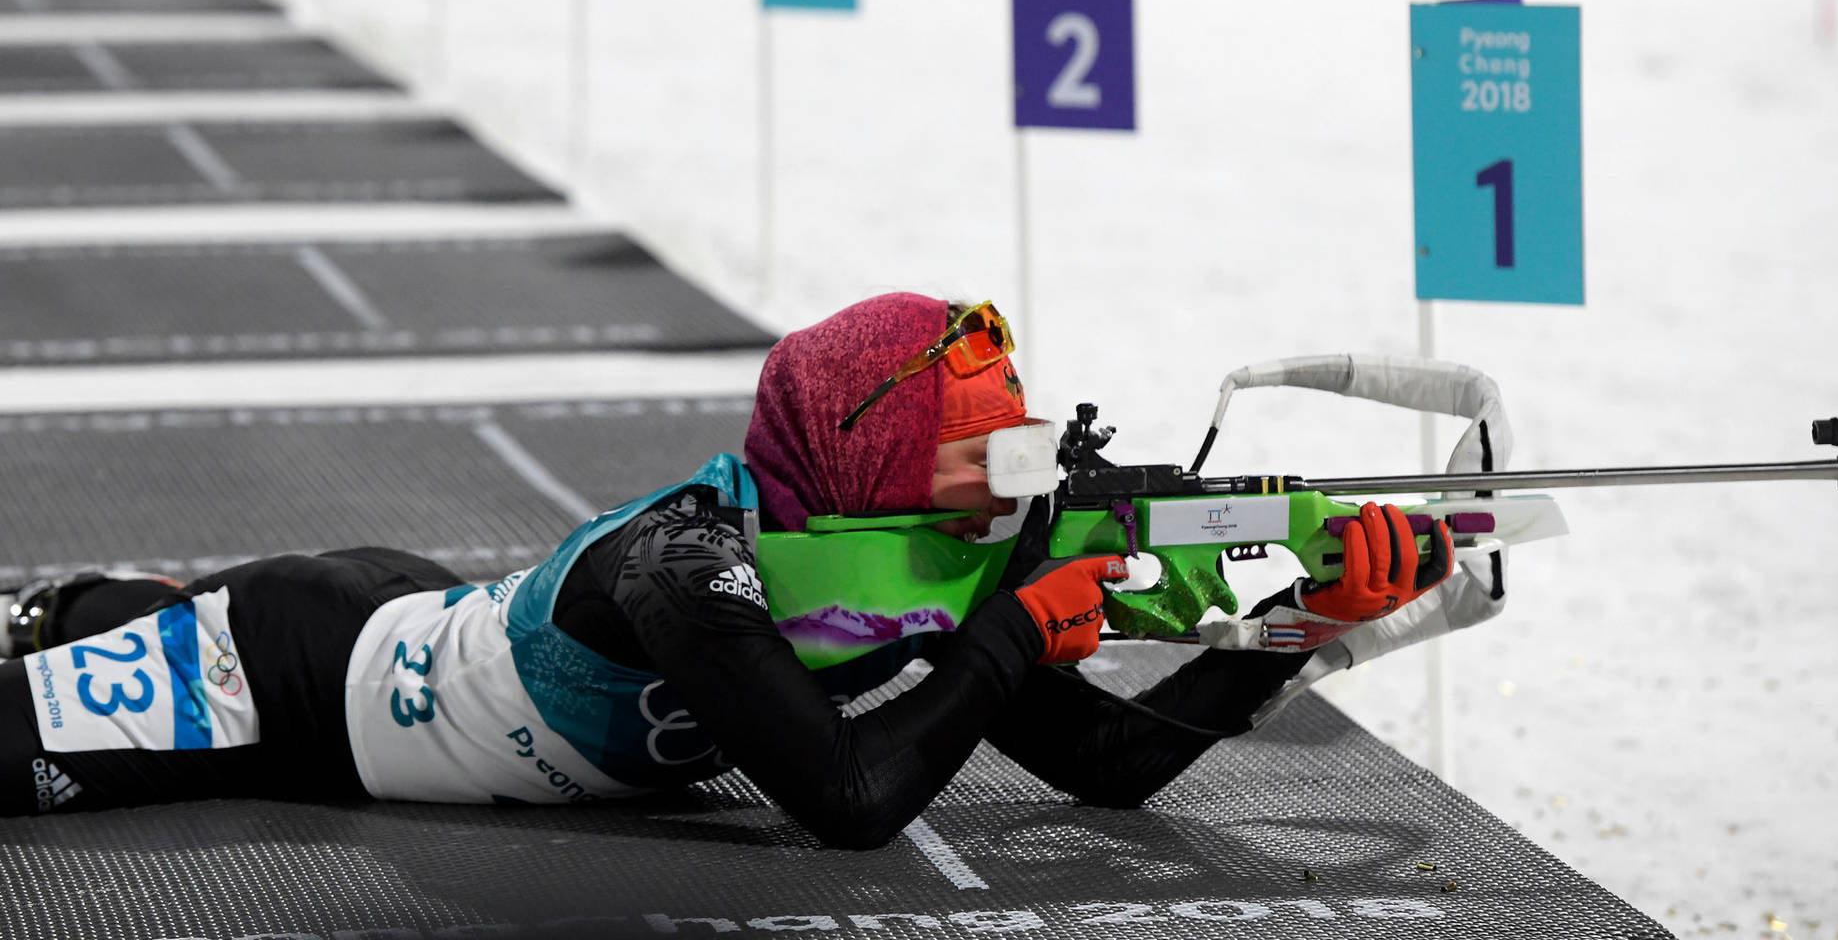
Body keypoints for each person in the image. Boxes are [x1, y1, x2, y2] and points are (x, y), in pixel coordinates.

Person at [0, 293, 1452, 845]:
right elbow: (847, 796)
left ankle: (76, 605)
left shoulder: (907, 568)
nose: (1018, 480)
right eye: (983, 453)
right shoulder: (686, 566)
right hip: (300, 672)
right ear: (869, 460)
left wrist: (1295, 626)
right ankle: (64, 611)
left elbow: (1107, 769)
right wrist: (1011, 636)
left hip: (412, 614)